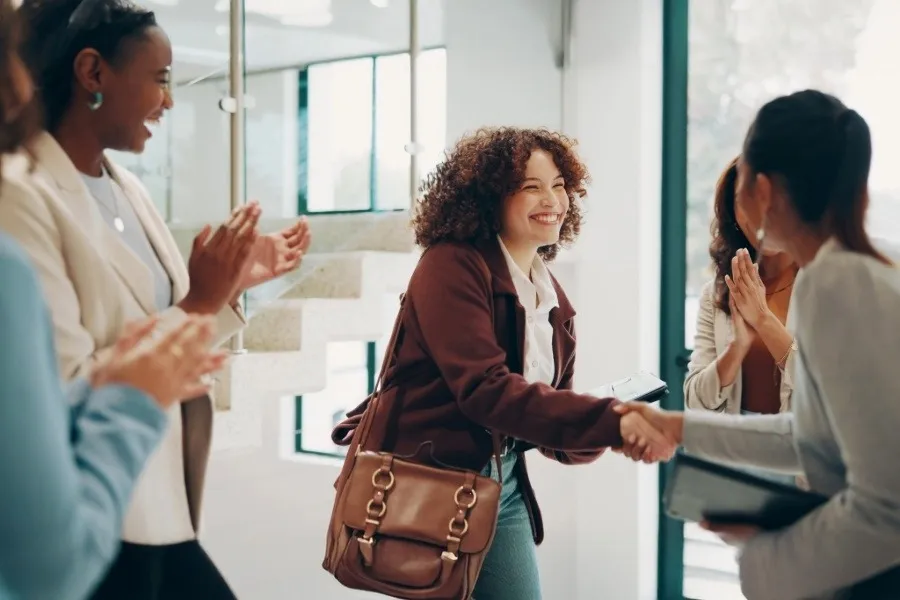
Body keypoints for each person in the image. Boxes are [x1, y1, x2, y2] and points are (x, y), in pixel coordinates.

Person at [2, 1, 311, 598]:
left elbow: (165, 325)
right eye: (160, 79)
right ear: (92, 73)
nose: (168, 101)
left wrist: (227, 287)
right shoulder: (19, 197)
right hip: (94, 511)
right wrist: (199, 303)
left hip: (161, 502)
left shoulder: (128, 190)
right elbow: (55, 388)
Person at [333, 127, 673, 600]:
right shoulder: (451, 265)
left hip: (501, 481)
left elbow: (544, 417)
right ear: (490, 199)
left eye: (559, 185)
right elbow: (485, 391)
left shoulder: (551, 297)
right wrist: (609, 419)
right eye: (531, 187)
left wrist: (609, 427)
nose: (552, 200)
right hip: (429, 476)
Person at [618, 90, 900, 599]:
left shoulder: (837, 284)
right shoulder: (850, 271)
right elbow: (809, 438)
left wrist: (761, 557)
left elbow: (886, 509)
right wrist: (673, 426)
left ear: (763, 190)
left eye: (744, 174)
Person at [685, 157, 799, 484]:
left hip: (801, 458)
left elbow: (828, 391)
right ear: (732, 213)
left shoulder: (823, 285)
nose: (757, 213)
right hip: (736, 454)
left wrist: (763, 319)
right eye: (742, 201)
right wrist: (736, 348)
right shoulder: (717, 292)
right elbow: (696, 400)